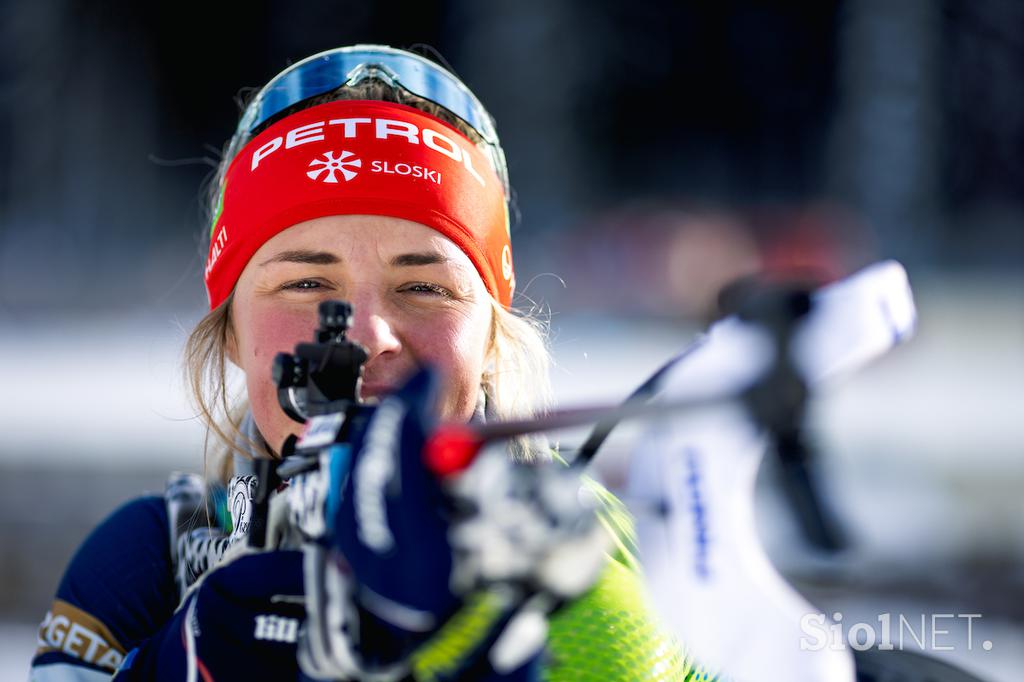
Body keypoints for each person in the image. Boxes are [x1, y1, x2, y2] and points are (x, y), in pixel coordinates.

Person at [30, 45, 707, 681]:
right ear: (230, 331)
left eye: (424, 288)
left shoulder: (623, 554)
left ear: (491, 334)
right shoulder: (151, 562)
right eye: (306, 285)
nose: (368, 335)